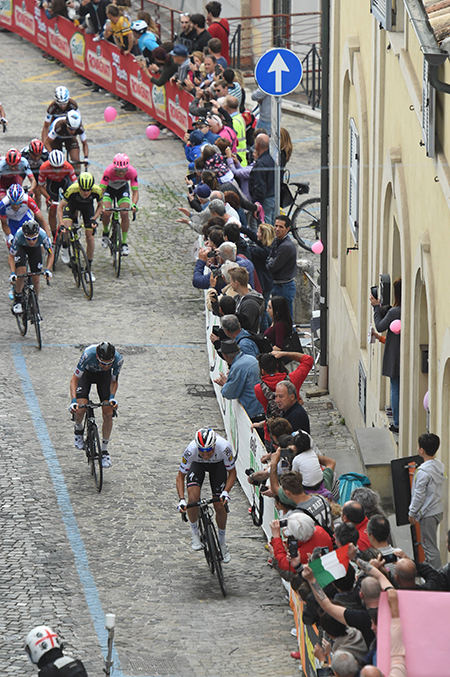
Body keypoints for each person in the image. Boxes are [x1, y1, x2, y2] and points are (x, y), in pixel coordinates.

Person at [176, 428, 235, 562]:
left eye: (209, 451)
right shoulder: (191, 450)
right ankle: (195, 534)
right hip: (197, 465)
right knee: (193, 498)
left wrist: (226, 492)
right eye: (202, 451)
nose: (206, 454)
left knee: (219, 505)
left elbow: (232, 473)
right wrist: (181, 499)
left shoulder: (224, 447)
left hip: (218, 465)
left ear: (214, 445)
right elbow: (180, 476)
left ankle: (221, 543)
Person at [69, 342, 123, 468]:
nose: (106, 365)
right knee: (81, 409)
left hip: (104, 378)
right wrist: (73, 401)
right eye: (103, 363)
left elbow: (114, 382)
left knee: (108, 413)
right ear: (97, 357)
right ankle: (78, 429)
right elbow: (74, 380)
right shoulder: (88, 354)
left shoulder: (119, 360)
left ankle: (104, 451)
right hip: (86, 375)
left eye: (109, 363)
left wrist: (112, 398)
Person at [408, 432, 445, 569]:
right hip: (437, 509)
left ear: (421, 450)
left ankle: (436, 577)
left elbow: (419, 496)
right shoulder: (438, 466)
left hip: (428, 513)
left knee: (429, 546)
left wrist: (412, 512)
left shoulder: (423, 472)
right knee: (430, 543)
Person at [56, 173, 103, 279]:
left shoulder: (97, 191)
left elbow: (100, 206)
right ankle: (65, 246)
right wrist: (61, 224)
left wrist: (94, 218)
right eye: (83, 190)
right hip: (71, 206)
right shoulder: (72, 189)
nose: (86, 193)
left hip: (87, 208)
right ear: (79, 187)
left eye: (88, 190)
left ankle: (88, 269)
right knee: (67, 228)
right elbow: (60, 207)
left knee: (90, 238)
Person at [370, 277, 401, 433]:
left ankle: (396, 422)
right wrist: (379, 338)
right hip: (404, 353)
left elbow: (381, 325)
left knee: (395, 387)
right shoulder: (407, 310)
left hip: (396, 356)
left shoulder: (395, 311)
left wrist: (376, 307)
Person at [10, 220, 53, 315]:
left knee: (36, 279)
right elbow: (11, 256)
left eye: (34, 239)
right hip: (21, 248)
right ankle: (17, 300)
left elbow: (51, 254)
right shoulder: (18, 236)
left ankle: (35, 304)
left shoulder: (43, 236)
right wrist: (13, 273)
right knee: (21, 273)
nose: (31, 241)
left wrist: (47, 269)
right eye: (28, 239)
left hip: (35, 250)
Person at [213, 339, 264, 420]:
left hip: (253, 411)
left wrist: (225, 384)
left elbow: (229, 393)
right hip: (261, 406)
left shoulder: (238, 366)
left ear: (225, 356)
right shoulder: (250, 358)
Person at [100, 153, 138, 256]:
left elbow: (135, 191)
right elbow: (101, 191)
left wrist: (134, 204)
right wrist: (101, 206)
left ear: (127, 168)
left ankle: (124, 243)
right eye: (119, 171)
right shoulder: (108, 171)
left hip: (122, 190)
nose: (121, 173)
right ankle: (105, 232)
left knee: (125, 213)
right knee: (107, 212)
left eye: (123, 171)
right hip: (109, 190)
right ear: (114, 168)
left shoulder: (132, 171)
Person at [36, 149, 77, 236]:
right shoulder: (44, 168)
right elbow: (40, 186)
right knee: (52, 210)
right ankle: (54, 233)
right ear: (50, 165)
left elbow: (75, 186)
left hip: (65, 180)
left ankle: (75, 218)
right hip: (52, 183)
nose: (57, 170)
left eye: (60, 167)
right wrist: (48, 197)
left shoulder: (68, 167)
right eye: (55, 168)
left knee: (74, 199)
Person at [266, 215, 297, 319]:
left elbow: (272, 266)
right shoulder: (276, 240)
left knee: (285, 318)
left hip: (284, 287)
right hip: (277, 285)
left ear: (287, 229)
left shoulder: (286, 247)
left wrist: (270, 261)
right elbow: (269, 259)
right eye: (276, 226)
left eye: (281, 227)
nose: (277, 229)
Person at [45, 110, 89, 175]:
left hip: (70, 138)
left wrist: (86, 158)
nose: (73, 132)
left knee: (75, 159)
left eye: (75, 129)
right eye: (70, 129)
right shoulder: (59, 126)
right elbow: (46, 142)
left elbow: (84, 144)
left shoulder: (80, 128)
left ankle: (76, 178)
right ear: (66, 124)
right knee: (57, 161)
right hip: (57, 139)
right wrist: (52, 154)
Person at [228, 266, 264, 333]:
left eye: (231, 281)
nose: (230, 284)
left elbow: (247, 326)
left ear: (236, 283)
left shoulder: (250, 304)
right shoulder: (238, 297)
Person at [249, 133, 275, 223]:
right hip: (273, 196)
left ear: (258, 145)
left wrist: (257, 204)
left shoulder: (261, 164)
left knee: (266, 229)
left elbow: (260, 186)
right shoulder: (273, 158)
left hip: (265, 200)